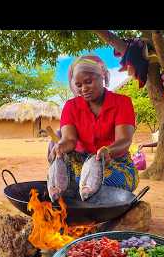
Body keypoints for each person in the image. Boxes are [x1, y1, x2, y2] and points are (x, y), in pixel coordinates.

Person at [50, 55, 139, 193]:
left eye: (88, 82)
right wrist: (61, 146)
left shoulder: (122, 103)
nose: (84, 89)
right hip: (79, 162)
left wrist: (108, 150)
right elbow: (69, 139)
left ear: (102, 75)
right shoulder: (71, 107)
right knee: (59, 176)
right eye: (78, 85)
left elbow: (124, 140)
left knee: (106, 181)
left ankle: (79, 187)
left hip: (115, 163)